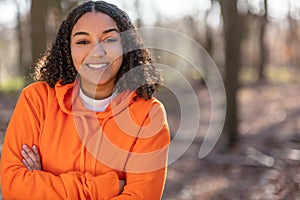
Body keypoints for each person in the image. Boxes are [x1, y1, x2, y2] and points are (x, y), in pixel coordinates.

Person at [0, 1, 170, 199]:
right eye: (83, 42)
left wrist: (42, 183)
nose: (97, 52)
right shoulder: (37, 100)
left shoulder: (148, 115)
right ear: (67, 49)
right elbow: (14, 187)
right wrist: (109, 187)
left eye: (109, 39)